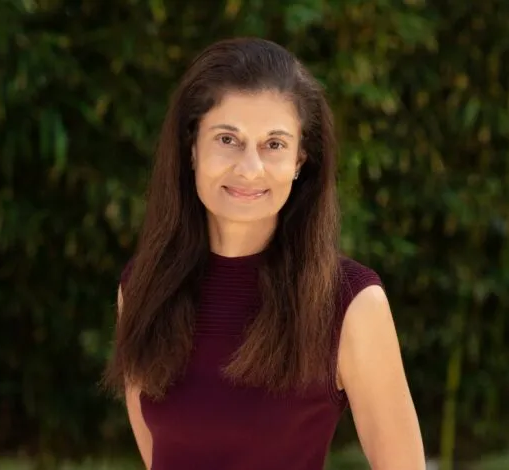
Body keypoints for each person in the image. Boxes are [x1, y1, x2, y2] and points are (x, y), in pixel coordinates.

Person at [103, 37, 425, 470]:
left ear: (300, 161)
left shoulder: (349, 301)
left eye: (274, 144)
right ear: (192, 147)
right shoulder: (142, 287)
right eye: (227, 139)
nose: (249, 168)